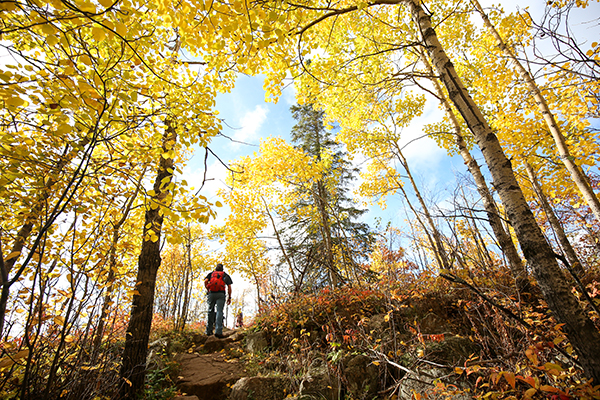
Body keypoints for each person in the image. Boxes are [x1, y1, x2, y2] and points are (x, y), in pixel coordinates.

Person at [204, 263, 232, 338]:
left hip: (211, 293)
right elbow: (229, 286)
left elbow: (205, 281)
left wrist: (208, 289)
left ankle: (208, 331)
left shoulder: (211, 274)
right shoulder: (225, 275)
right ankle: (218, 331)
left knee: (210, 310)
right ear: (222, 269)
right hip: (221, 294)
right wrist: (229, 297)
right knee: (219, 311)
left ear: (216, 268)